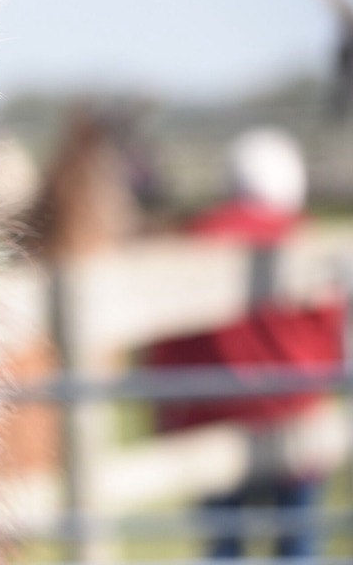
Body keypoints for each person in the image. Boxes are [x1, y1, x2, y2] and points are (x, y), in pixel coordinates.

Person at [148, 128, 345, 559]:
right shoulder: (304, 237)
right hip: (295, 415)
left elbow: (167, 340)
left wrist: (166, 410)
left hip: (211, 416)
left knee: (225, 543)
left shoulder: (198, 237)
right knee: (298, 541)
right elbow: (334, 335)